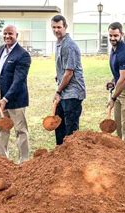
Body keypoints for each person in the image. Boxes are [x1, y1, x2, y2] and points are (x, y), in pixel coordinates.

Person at [0, 25, 31, 164]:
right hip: (0, 97)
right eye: (5, 34)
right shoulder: (1, 49)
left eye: (10, 34)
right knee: (1, 128)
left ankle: (24, 161)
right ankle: (1, 160)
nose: (7, 36)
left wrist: (6, 99)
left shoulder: (23, 55)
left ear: (16, 35)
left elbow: (19, 80)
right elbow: (0, 71)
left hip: (16, 100)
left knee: (20, 130)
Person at [50, 15, 86, 145]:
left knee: (70, 130)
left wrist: (58, 91)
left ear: (65, 27)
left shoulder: (69, 46)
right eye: (54, 27)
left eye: (59, 27)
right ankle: (60, 155)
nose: (56, 30)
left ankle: (73, 161)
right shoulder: (59, 43)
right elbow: (64, 68)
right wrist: (58, 76)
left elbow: (69, 73)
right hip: (64, 90)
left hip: (73, 92)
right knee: (59, 124)